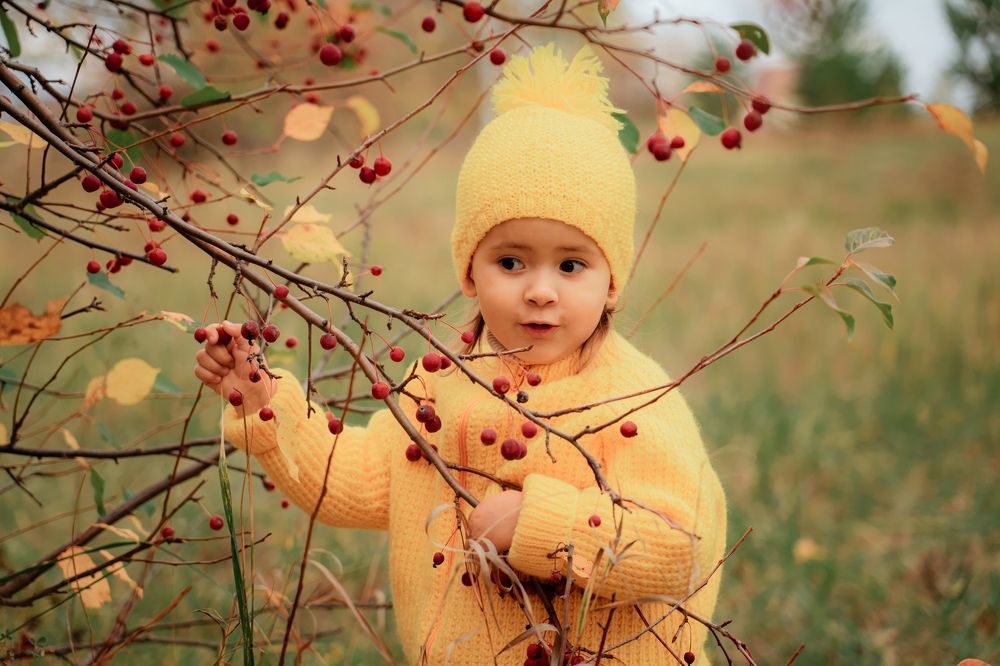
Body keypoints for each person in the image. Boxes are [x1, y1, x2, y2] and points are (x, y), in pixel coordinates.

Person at [195, 42, 728, 666]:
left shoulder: (632, 398)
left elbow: (680, 543)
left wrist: (540, 523)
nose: (540, 289)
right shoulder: (443, 381)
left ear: (612, 281)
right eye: (510, 261)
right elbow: (365, 478)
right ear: (469, 272)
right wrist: (265, 404)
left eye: (572, 264)